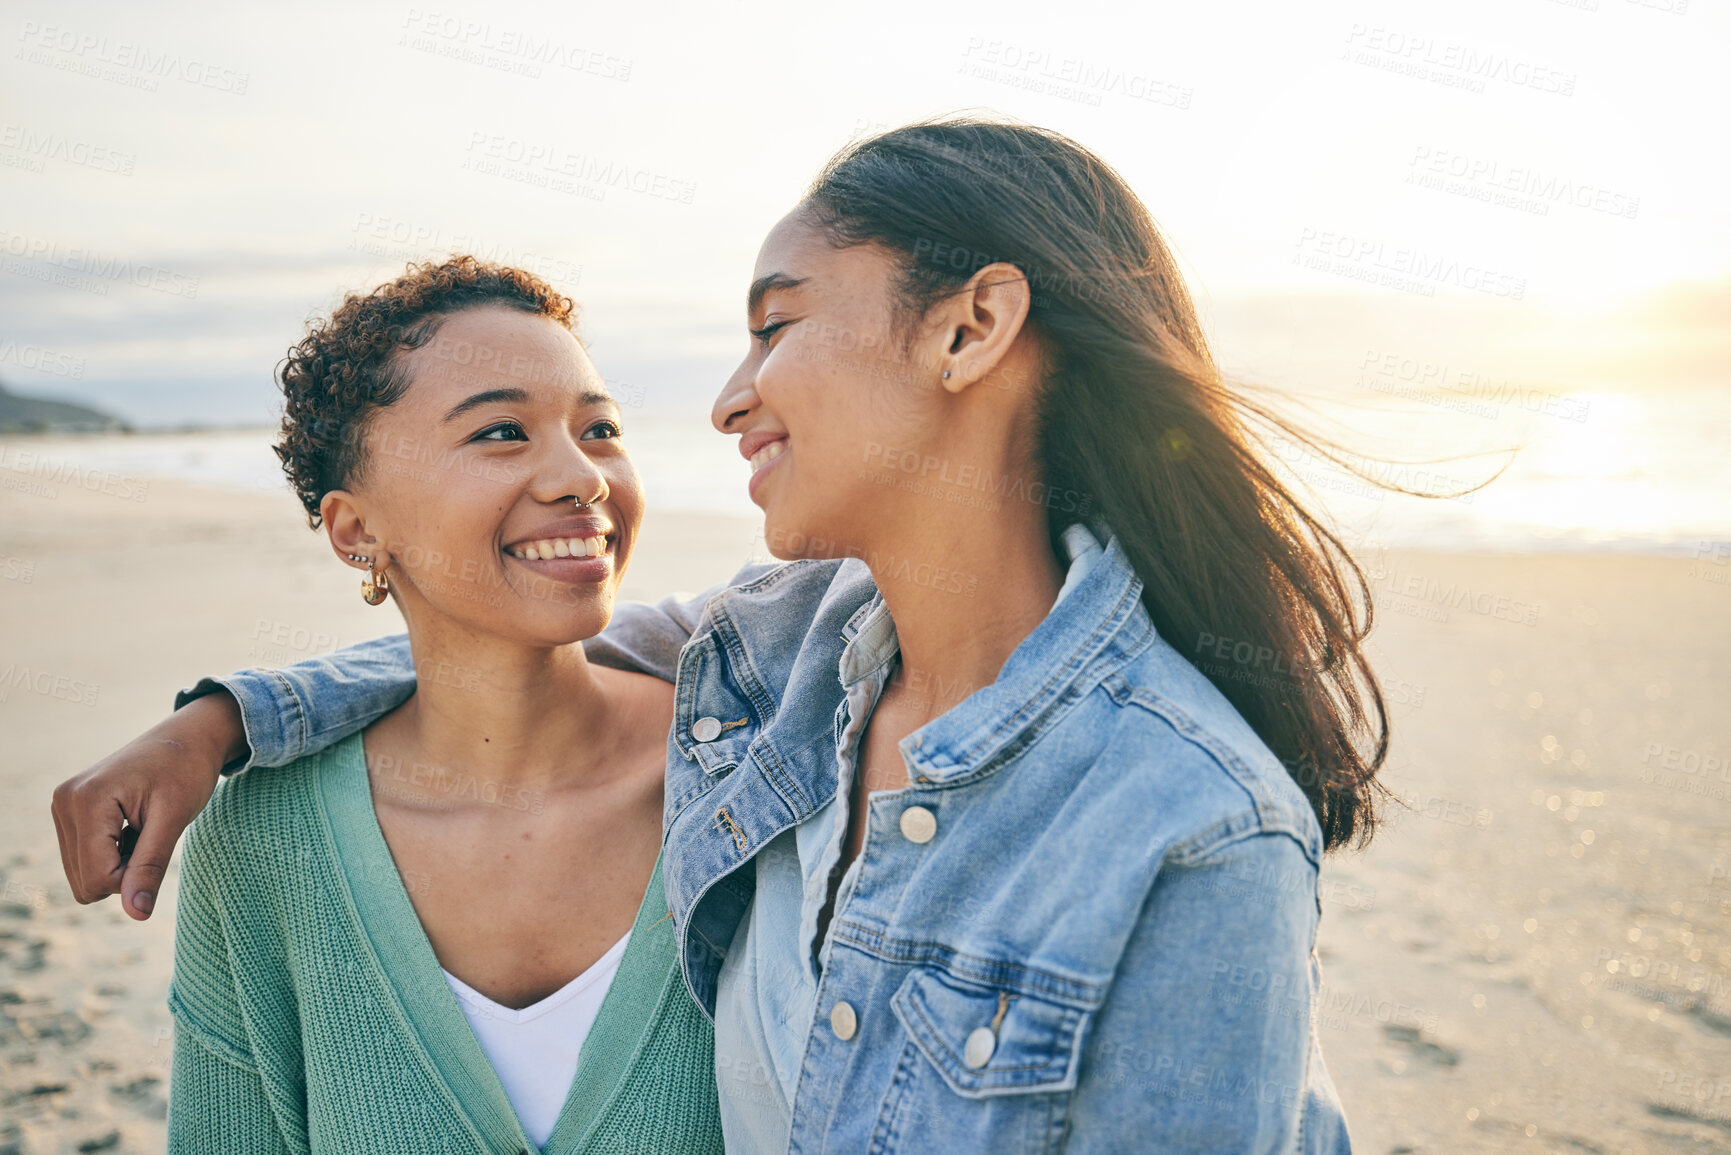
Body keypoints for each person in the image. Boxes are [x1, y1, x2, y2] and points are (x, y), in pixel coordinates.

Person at [56, 118, 1385, 1151]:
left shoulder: (1191, 822)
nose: (728, 399)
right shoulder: (780, 668)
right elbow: (495, 650)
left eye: (776, 324)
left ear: (971, 327)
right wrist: (224, 716)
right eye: (503, 429)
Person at [147, 257, 722, 1153]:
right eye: (501, 432)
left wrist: (225, 714)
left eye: (599, 427)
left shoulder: (743, 778)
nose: (582, 476)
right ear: (356, 530)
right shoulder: (263, 840)